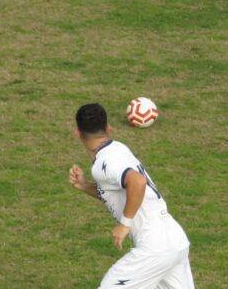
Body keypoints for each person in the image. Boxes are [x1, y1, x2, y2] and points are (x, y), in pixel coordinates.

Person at [68, 103, 195, 288]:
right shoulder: (118, 149)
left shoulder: (104, 161)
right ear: (108, 129)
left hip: (154, 247)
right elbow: (121, 190)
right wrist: (86, 186)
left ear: (77, 133)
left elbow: (137, 182)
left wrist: (124, 224)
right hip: (174, 240)